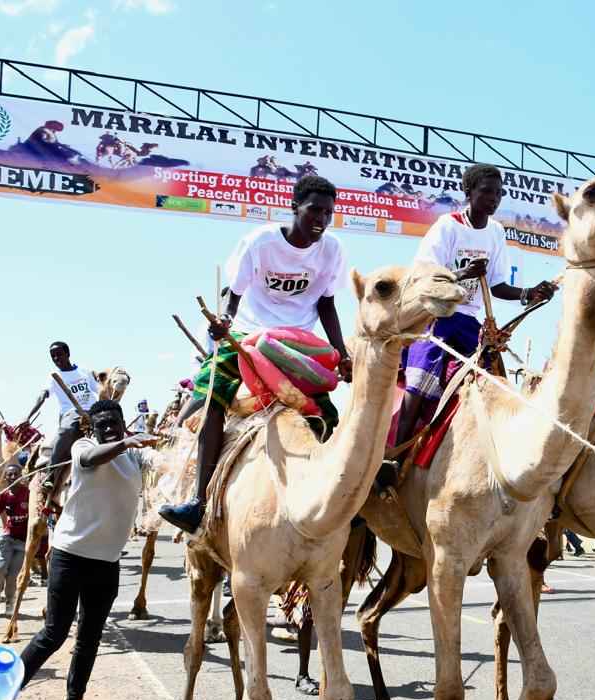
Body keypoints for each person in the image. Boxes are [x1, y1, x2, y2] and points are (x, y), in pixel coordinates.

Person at [159, 174, 352, 535]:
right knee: (212, 393)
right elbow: (232, 299)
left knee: (327, 414)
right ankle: (199, 501)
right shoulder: (260, 242)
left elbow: (327, 305)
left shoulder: (332, 249)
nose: (321, 220)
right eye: (314, 211)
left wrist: (342, 354)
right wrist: (223, 323)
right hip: (248, 334)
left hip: (296, 341)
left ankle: (338, 502)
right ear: (294, 207)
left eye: (328, 213)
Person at [0, 400, 156, 700]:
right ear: (92, 428)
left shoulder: (135, 458)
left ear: (123, 422)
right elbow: (91, 458)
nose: (109, 427)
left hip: (107, 563)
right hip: (70, 557)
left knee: (89, 637)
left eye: (114, 422)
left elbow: (162, 464)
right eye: (102, 424)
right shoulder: (83, 447)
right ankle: (5, 698)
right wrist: (126, 442)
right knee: (54, 634)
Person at [390, 164, 555, 450]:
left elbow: (498, 285)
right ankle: (395, 455)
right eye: (487, 191)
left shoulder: (496, 232)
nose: (494, 198)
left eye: (499, 193)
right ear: (468, 192)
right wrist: (462, 273)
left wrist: (529, 293)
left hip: (469, 325)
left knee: (495, 383)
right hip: (437, 318)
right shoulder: (448, 226)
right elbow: (423, 275)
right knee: (420, 383)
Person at [22, 341, 101, 493]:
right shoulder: (54, 377)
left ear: (68, 354)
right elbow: (42, 395)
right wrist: (28, 416)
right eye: (53, 356)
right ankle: (50, 475)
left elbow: (100, 390)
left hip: (93, 411)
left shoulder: (85, 372)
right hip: (72, 413)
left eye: (59, 354)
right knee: (66, 431)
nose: (56, 358)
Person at [0, 462, 30, 618]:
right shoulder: (4, 495)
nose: (13, 476)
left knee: (12, 576)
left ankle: (10, 602)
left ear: (21, 476)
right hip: (8, 538)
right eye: (9, 474)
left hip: (24, 542)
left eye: (16, 474)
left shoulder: (29, 493)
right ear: (5, 478)